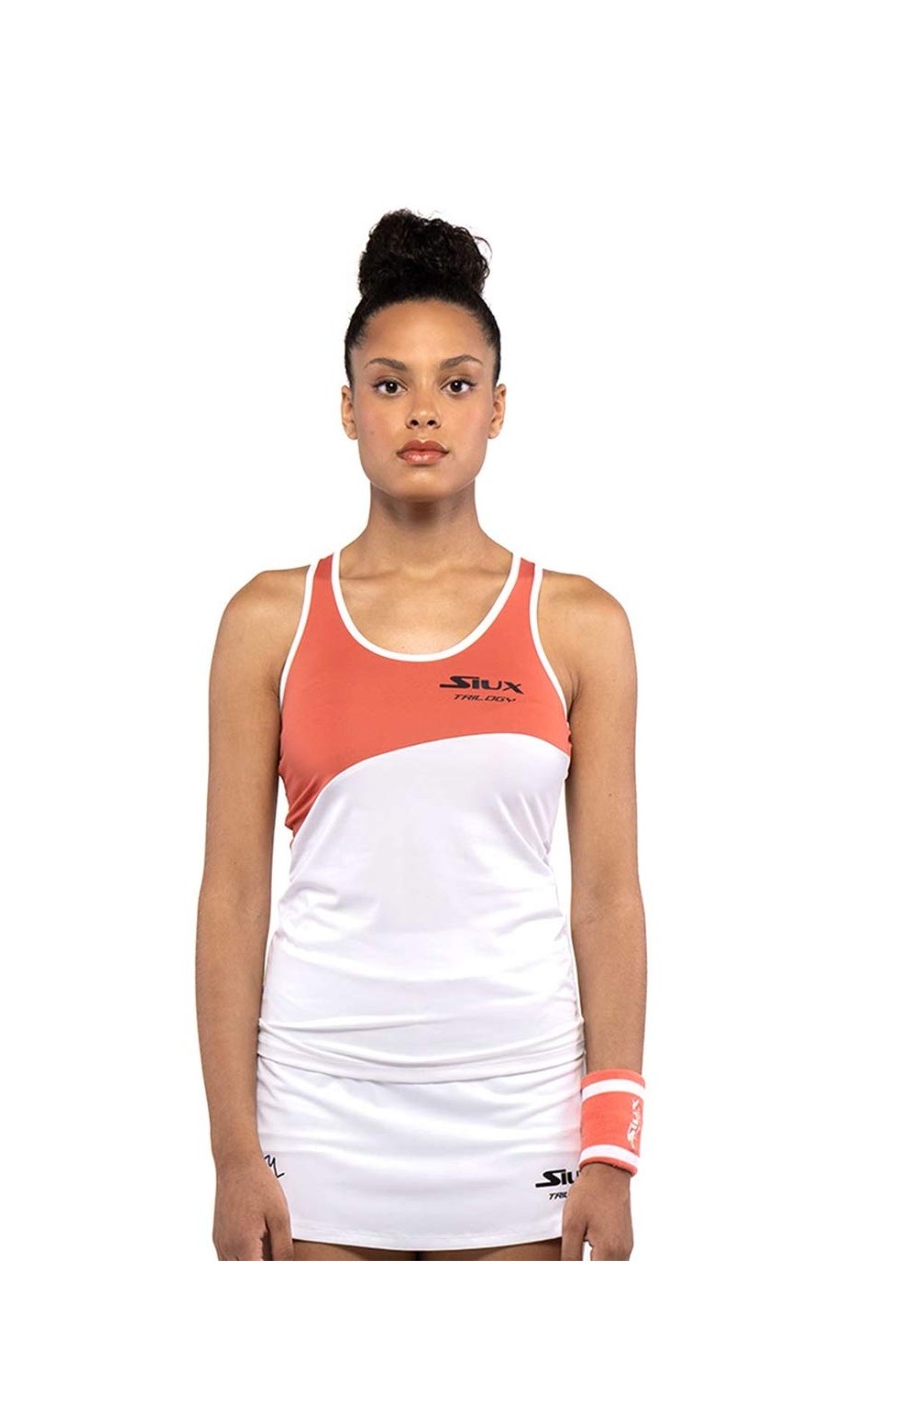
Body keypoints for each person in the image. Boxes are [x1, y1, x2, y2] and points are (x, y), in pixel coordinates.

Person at [196, 209, 647, 1261]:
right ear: (347, 408)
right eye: (390, 383)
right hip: (317, 1105)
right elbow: (232, 897)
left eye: (456, 382)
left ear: (497, 408)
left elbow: (606, 899)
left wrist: (611, 1150)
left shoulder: (579, 625)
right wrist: (231, 1153)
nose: (423, 411)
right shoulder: (268, 620)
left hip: (520, 1105)